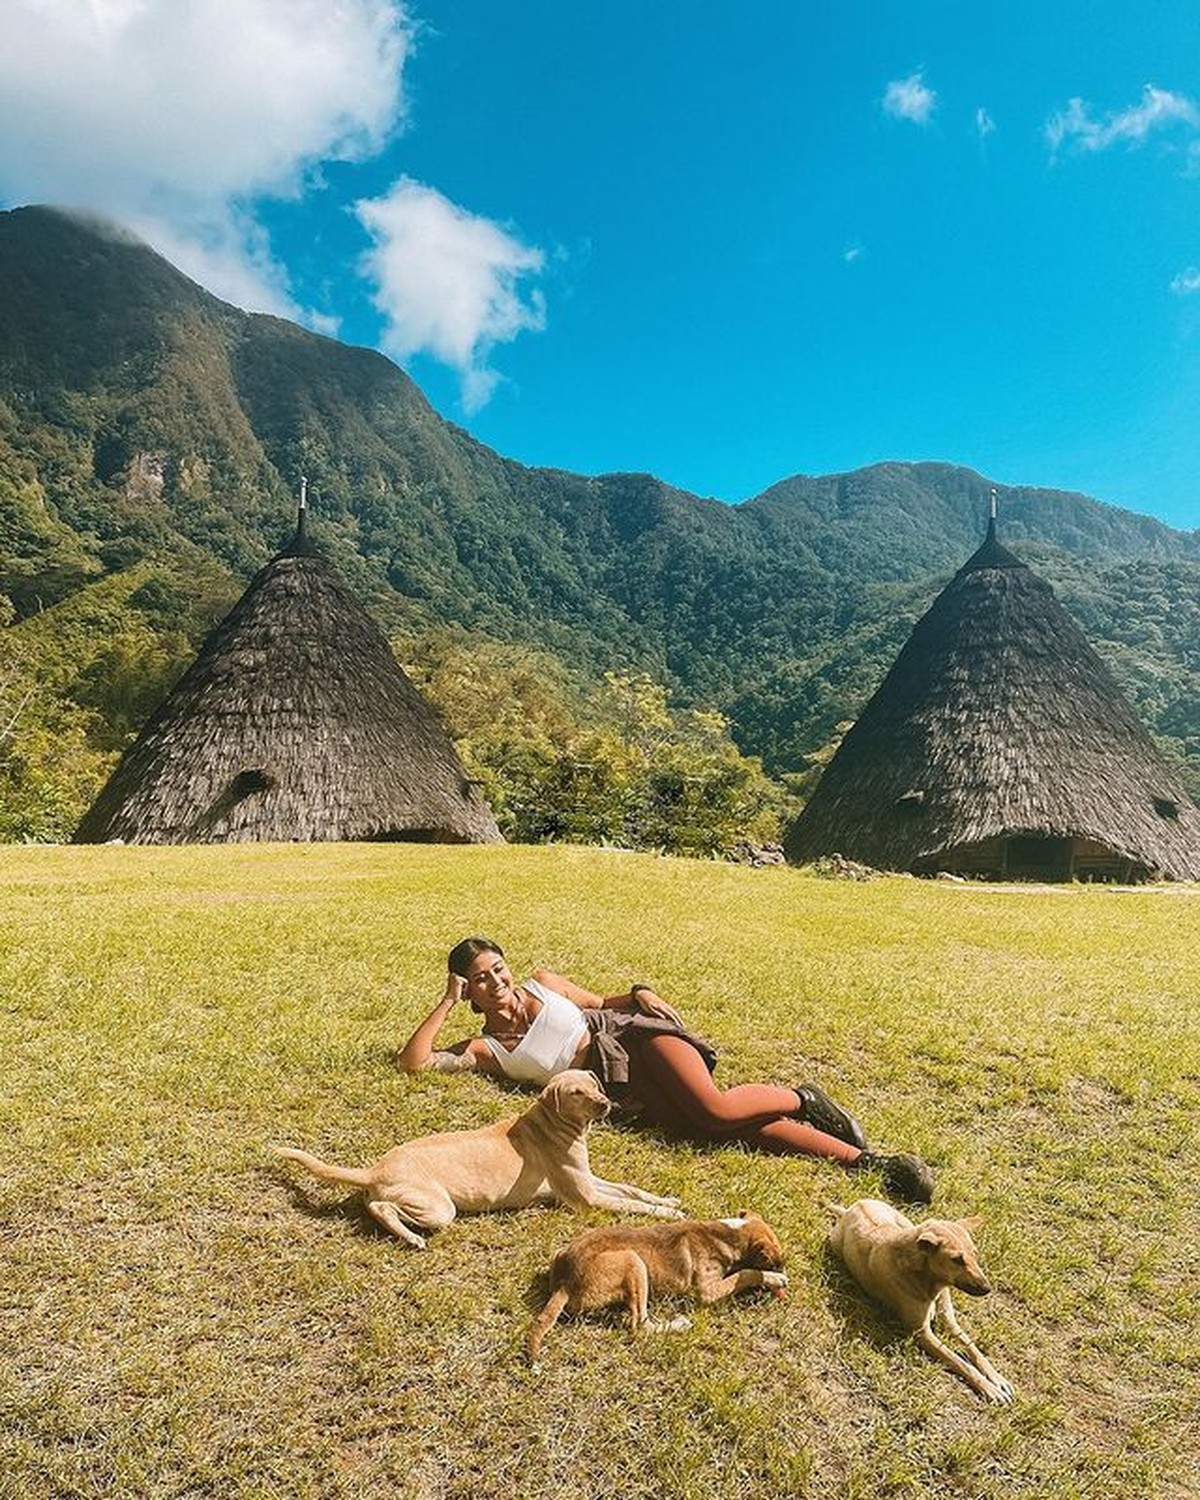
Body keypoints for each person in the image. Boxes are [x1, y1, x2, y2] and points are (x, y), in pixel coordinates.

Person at [396, 936, 935, 1203]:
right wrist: (445, 1001)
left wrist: (640, 992)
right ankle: (870, 1164)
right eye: (481, 979)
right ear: (471, 992)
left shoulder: (544, 982)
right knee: (712, 1133)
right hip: (614, 1085)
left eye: (498, 968)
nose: (497, 981)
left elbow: (604, 999)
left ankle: (800, 1098)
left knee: (715, 1109)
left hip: (633, 1037)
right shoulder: (489, 1048)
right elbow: (414, 1066)